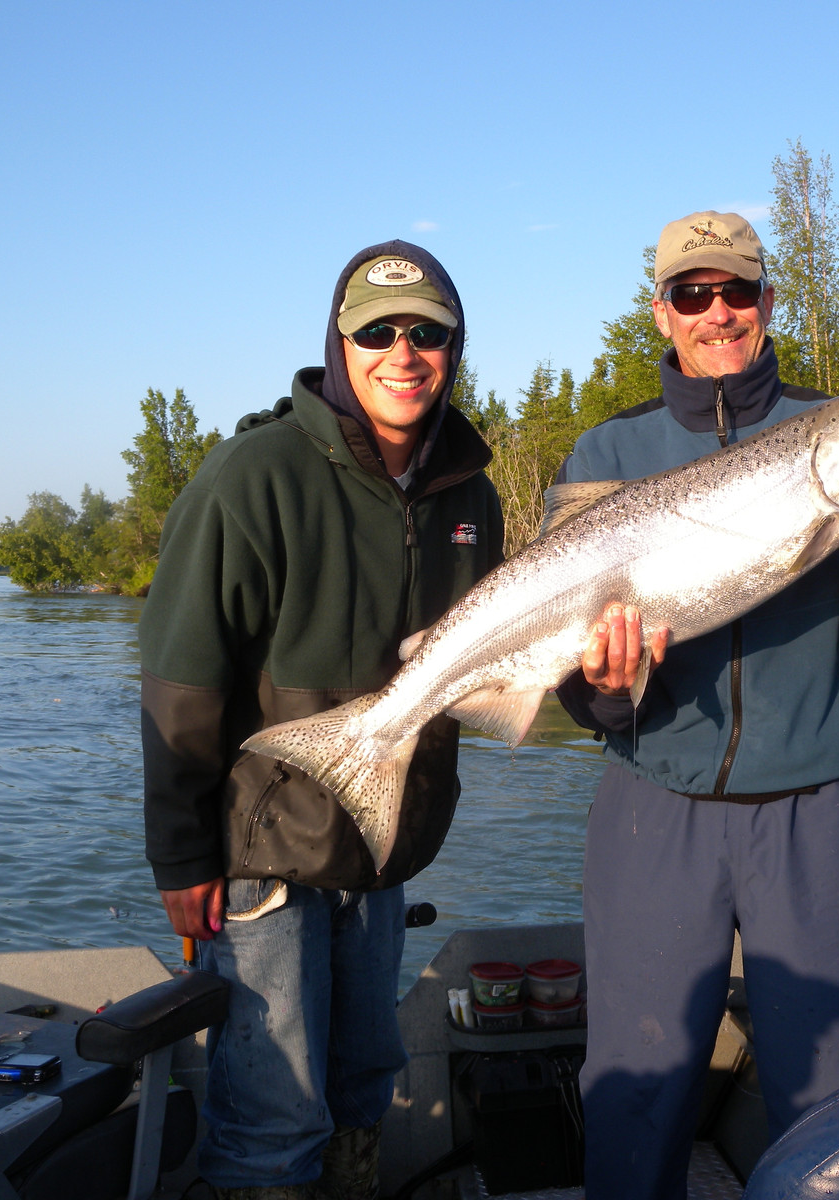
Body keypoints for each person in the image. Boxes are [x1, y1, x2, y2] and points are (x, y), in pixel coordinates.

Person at [556, 211, 839, 1198]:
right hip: (653, 804)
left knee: (832, 1106)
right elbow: (578, 692)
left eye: (736, 290)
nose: (718, 313)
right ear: (663, 313)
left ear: (767, 301)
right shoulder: (606, 454)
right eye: (693, 295)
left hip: (815, 805)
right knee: (634, 1091)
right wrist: (608, 689)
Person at [139, 241, 503, 1200]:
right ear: (339, 345)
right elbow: (182, 684)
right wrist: (183, 859)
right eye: (377, 331)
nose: (403, 352)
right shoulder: (250, 476)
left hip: (383, 855)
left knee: (360, 1091)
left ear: (454, 348)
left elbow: (481, 675)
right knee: (274, 1117)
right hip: (266, 859)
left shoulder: (473, 495)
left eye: (427, 333)